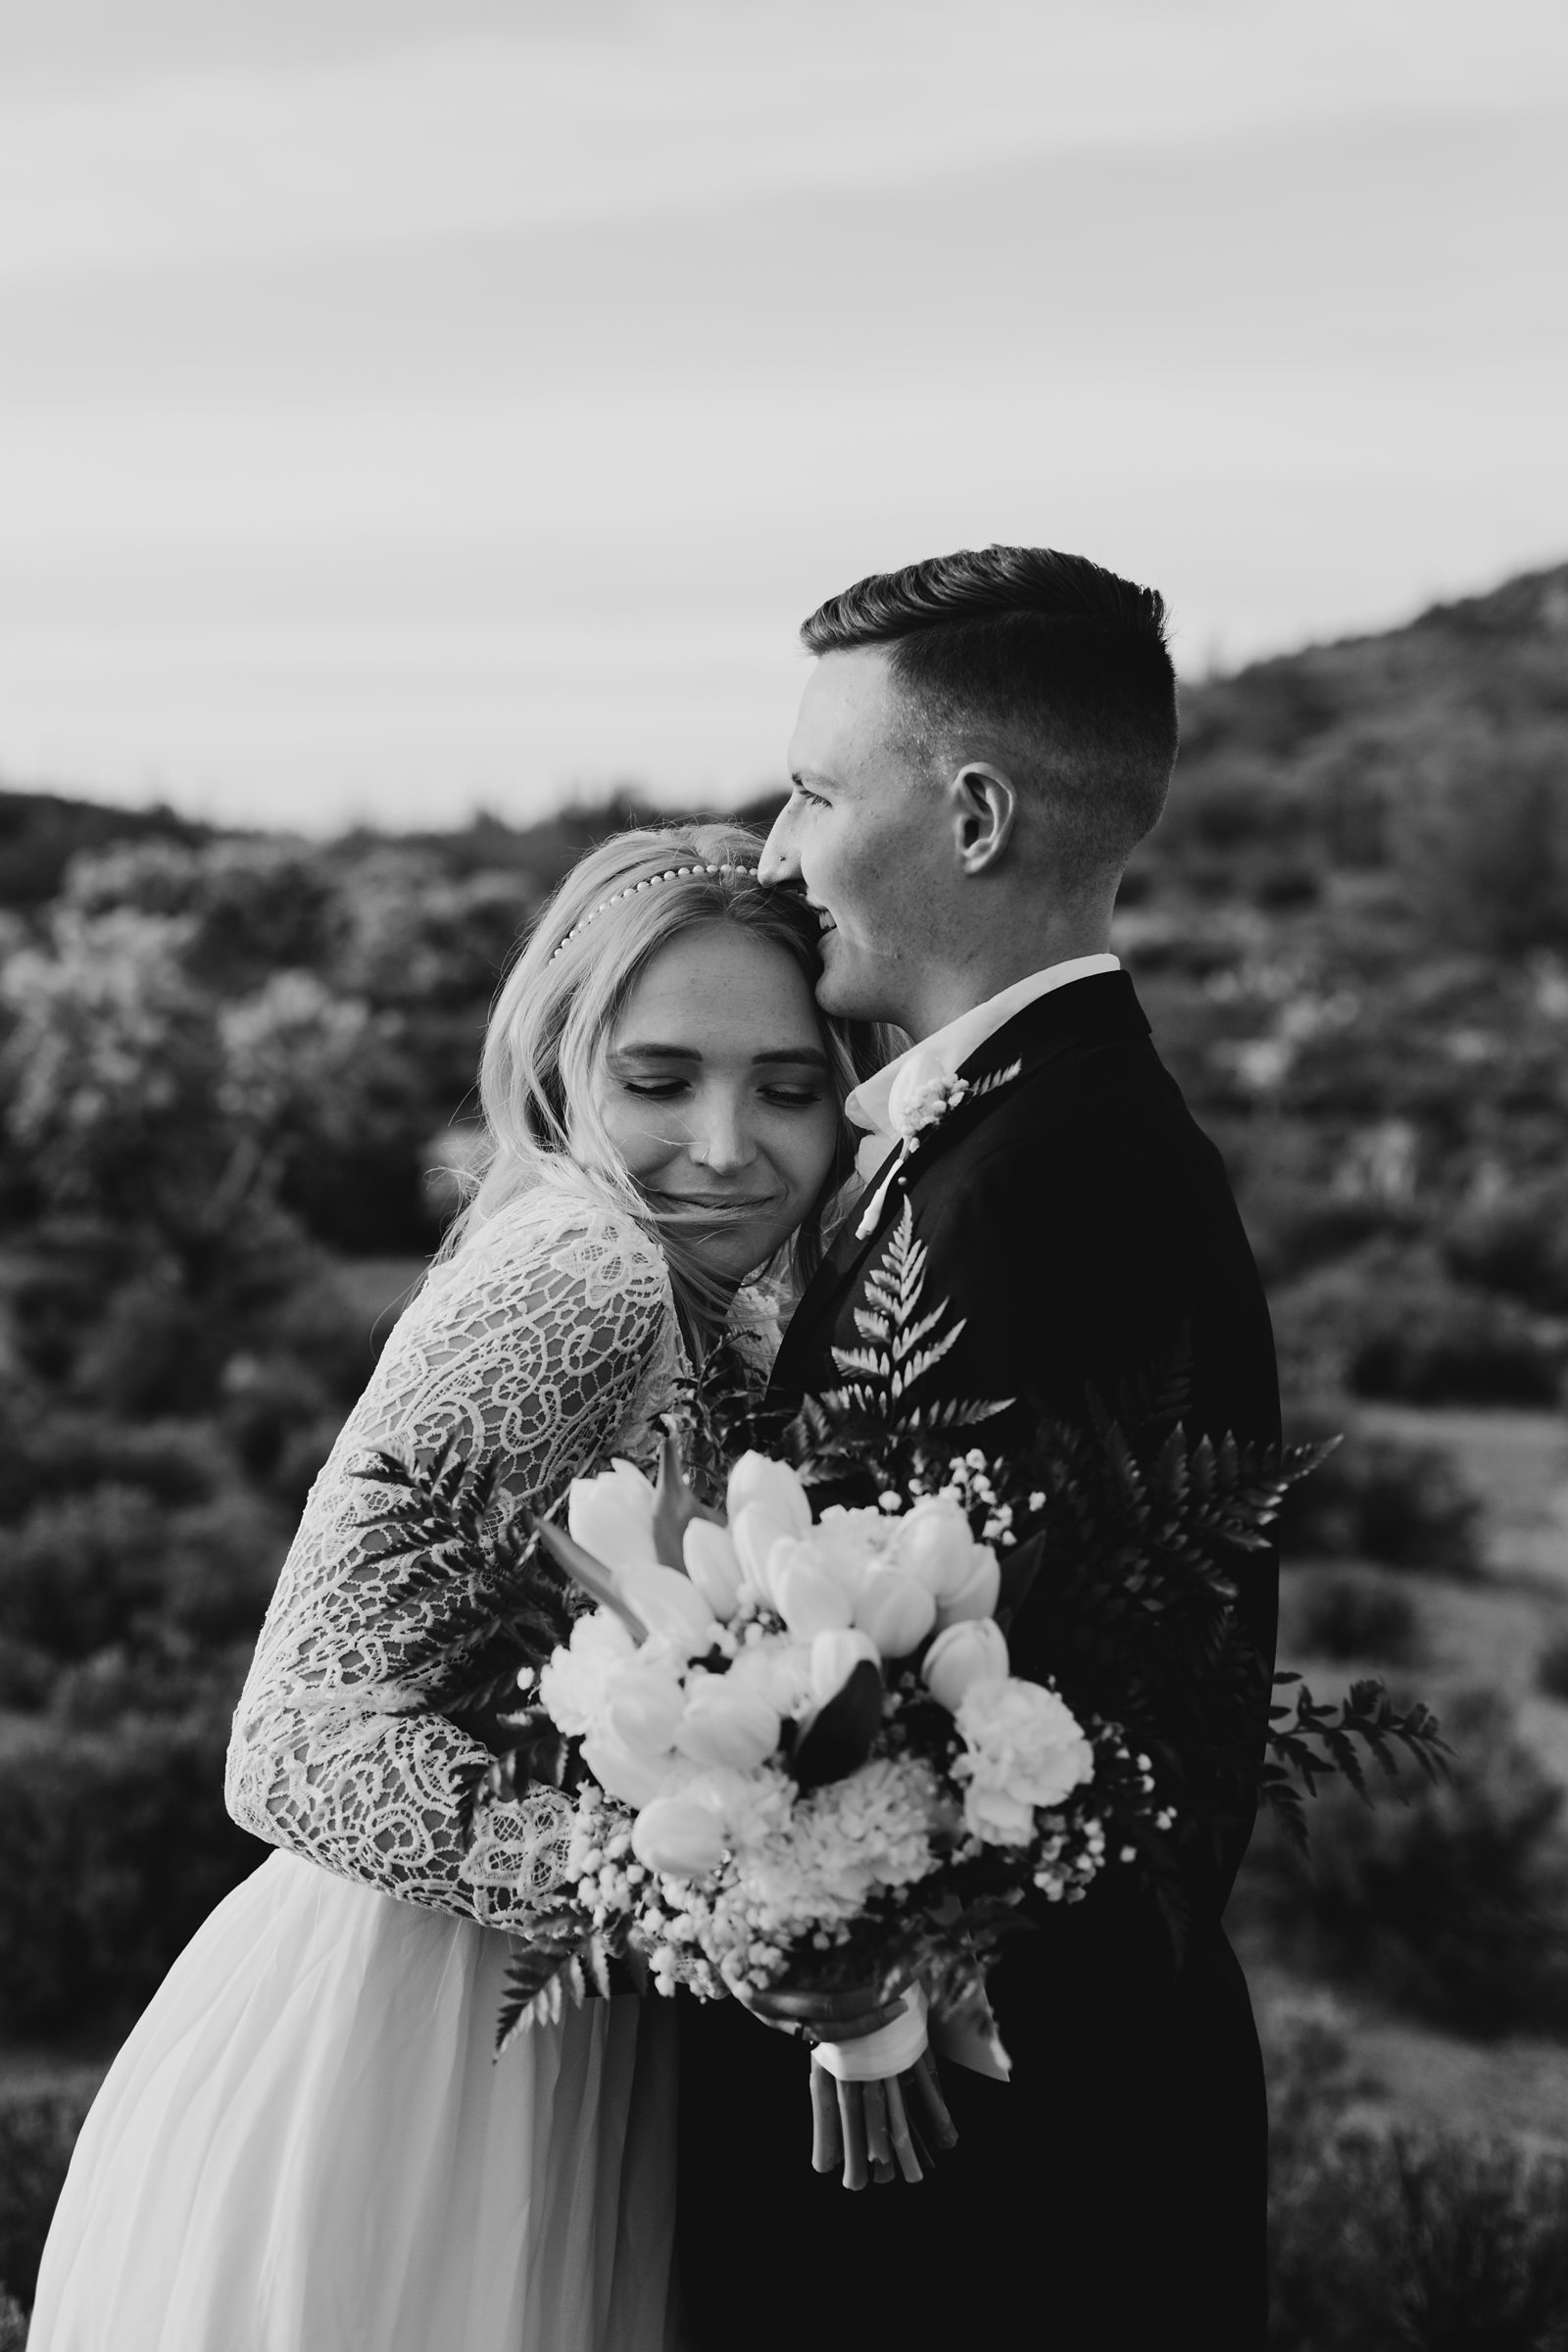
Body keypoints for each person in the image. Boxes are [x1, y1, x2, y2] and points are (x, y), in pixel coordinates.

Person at [30, 824, 884, 2352]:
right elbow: (292, 1741)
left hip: (559, 2051)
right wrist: (699, 1897)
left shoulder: (723, 1317)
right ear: (561, 1075)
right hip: (405, 2060)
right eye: (659, 1079)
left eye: (789, 1088)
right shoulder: (588, 1278)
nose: (724, 1143)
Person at [675, 549, 1281, 2350]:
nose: (776, 855)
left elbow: (1043, 1711)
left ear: (976, 814)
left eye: (813, 790)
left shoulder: (1062, 1176)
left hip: (988, 2170)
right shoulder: (1001, 1138)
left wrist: (860, 1976)